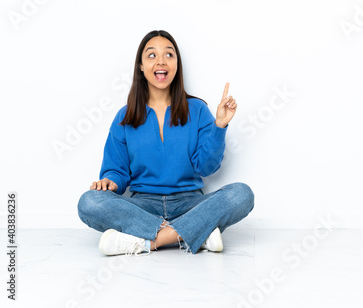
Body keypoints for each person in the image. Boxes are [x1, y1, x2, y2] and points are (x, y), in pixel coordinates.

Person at [77, 30, 254, 256]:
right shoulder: (125, 117)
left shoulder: (198, 110)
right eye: (151, 55)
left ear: (177, 65)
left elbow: (206, 167)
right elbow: (116, 171)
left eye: (169, 55)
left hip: (190, 204)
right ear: (140, 66)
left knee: (241, 194)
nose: (161, 61)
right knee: (89, 202)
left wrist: (219, 127)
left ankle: (146, 242)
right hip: (143, 206)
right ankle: (196, 233)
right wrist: (110, 182)